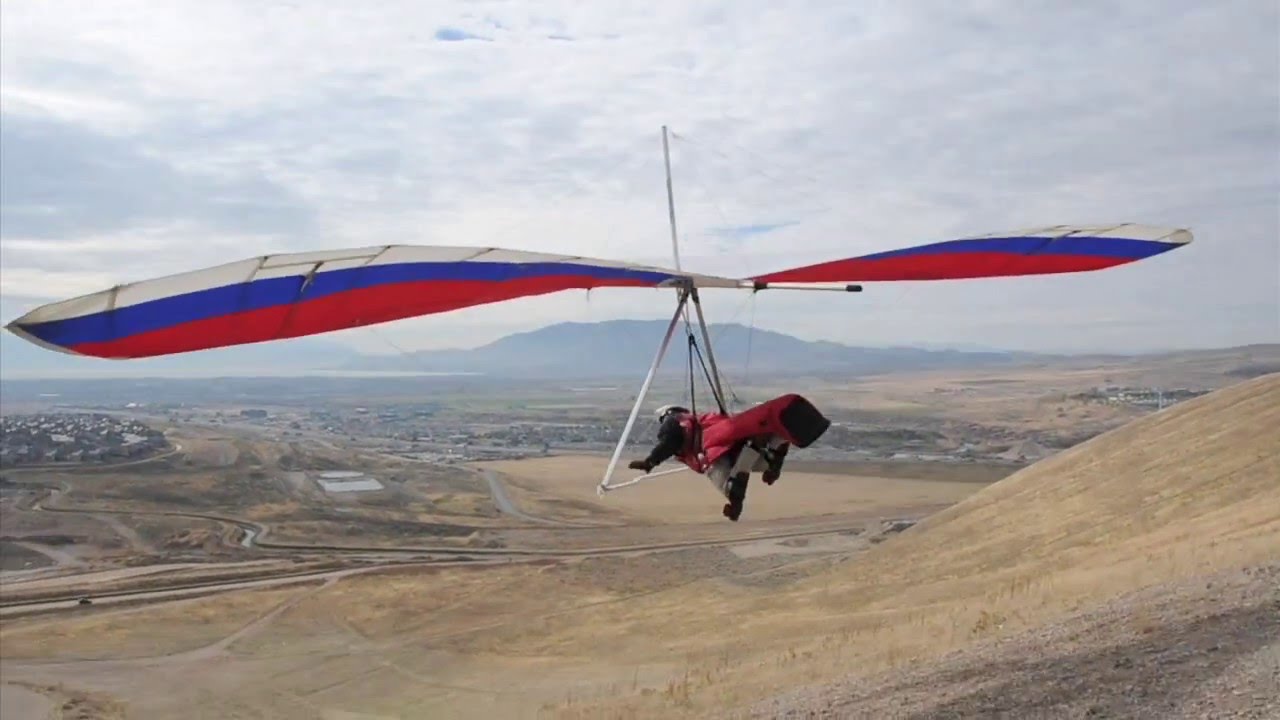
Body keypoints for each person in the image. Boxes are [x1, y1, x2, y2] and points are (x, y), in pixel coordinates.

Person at [628, 403, 789, 521]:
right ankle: (776, 445)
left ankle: (734, 488)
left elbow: (671, 441)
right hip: (733, 445)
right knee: (760, 461)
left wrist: (650, 462)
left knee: (727, 481)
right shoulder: (699, 418)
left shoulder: (672, 422)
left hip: (710, 452)